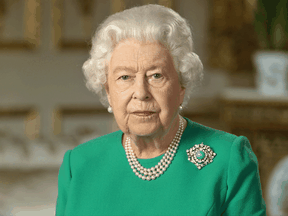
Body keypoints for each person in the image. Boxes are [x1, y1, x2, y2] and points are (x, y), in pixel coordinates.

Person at [56, 4, 267, 215]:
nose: (141, 92)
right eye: (125, 77)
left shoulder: (228, 159)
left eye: (156, 75)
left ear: (182, 86)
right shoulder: (79, 165)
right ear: (108, 91)